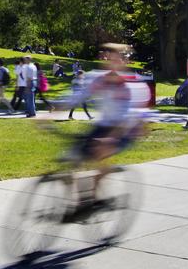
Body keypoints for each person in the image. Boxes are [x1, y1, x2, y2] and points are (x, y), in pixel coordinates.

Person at [54, 43, 148, 214]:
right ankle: (84, 199)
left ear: (124, 61)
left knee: (99, 153)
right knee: (70, 158)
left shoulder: (133, 84)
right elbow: (79, 95)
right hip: (103, 126)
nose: (111, 62)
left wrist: (111, 139)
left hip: (127, 131)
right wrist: (52, 110)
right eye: (107, 58)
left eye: (116, 58)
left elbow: (132, 117)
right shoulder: (99, 79)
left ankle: (93, 199)